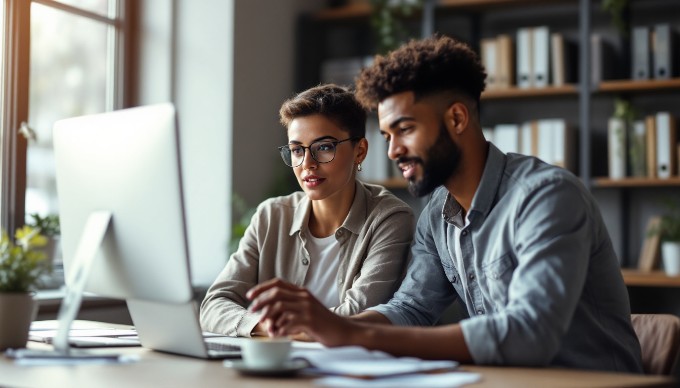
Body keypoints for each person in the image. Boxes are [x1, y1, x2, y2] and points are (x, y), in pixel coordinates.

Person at [246, 35, 644, 373]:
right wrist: (326, 326)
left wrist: (351, 332)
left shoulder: (547, 197)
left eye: (405, 129)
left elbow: (530, 333)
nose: (394, 150)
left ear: (456, 119)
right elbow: (411, 308)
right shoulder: (437, 212)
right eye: (386, 135)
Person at [200, 84, 414, 338]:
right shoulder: (271, 216)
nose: (307, 164)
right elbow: (214, 304)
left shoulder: (389, 218)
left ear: (360, 151)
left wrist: (277, 329)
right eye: (297, 150)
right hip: (281, 367)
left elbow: (359, 316)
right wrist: (265, 326)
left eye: (324, 147)